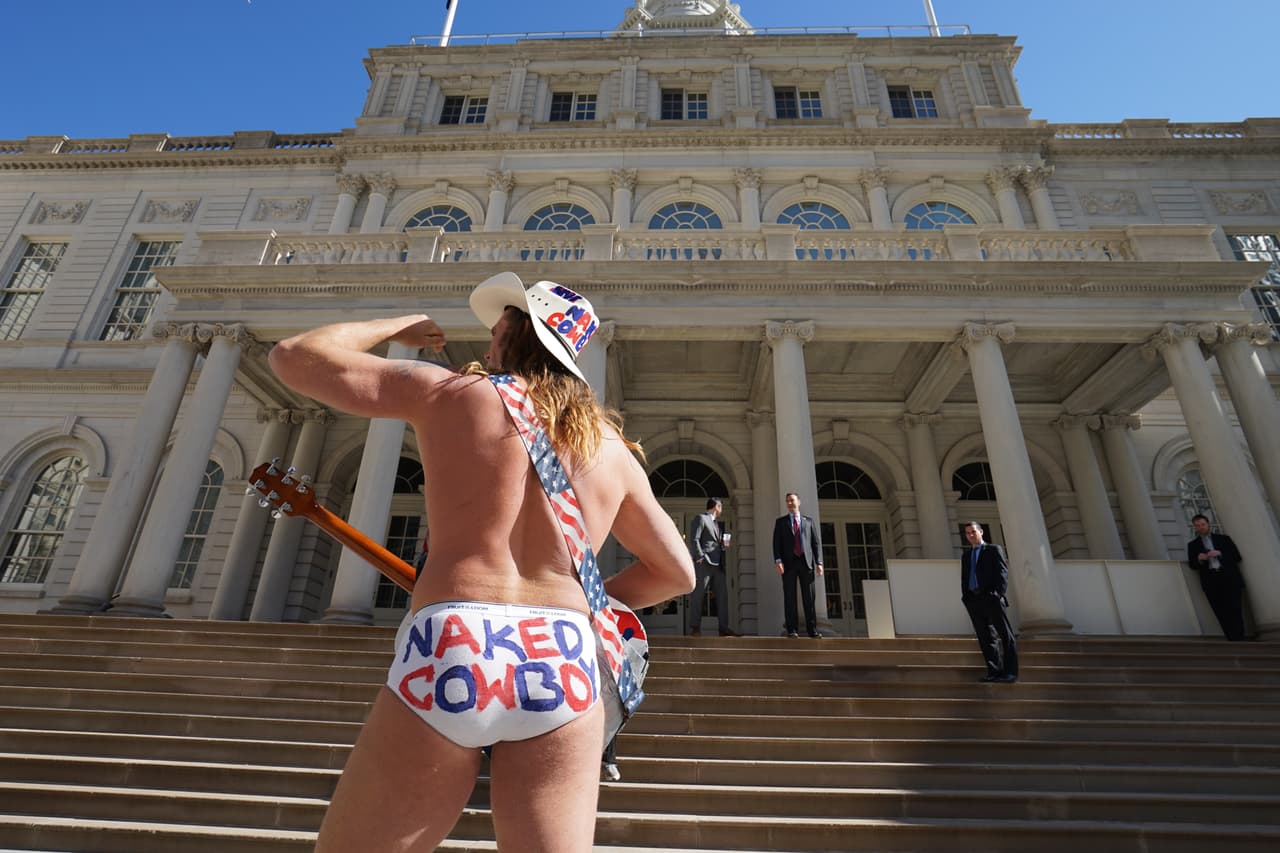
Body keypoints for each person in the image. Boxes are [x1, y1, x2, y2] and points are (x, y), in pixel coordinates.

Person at [269, 272, 695, 853]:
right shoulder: (610, 449)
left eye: (498, 327)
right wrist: (588, 602)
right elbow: (677, 573)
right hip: (563, 655)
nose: (489, 340)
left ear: (517, 332)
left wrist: (400, 325)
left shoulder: (450, 393)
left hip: (454, 642)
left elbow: (296, 356)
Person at [960, 522, 1018, 683]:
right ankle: (994, 672)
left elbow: (1002, 572)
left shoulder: (993, 550)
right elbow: (965, 578)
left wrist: (998, 594)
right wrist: (966, 598)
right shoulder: (966, 556)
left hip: (992, 597)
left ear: (981, 532)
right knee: (985, 638)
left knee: (1005, 635)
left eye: (973, 532)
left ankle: (1010, 673)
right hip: (974, 600)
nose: (970, 535)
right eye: (967, 533)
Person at [1186, 514, 1247, 641]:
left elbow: (1237, 557)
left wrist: (1220, 553)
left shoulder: (1224, 539)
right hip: (1211, 581)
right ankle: (1231, 638)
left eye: (1203, 524)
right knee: (1220, 611)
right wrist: (1199, 559)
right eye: (1197, 525)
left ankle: (1240, 638)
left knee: (1235, 608)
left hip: (1229, 578)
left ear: (1208, 524)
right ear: (1194, 527)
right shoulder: (1192, 545)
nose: (1201, 527)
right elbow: (1192, 565)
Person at [771, 492, 824, 639]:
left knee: (809, 598)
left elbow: (815, 543)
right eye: (787, 501)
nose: (790, 503)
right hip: (788, 564)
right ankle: (792, 630)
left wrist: (819, 562)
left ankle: (812, 630)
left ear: (798, 502)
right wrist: (778, 561)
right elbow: (776, 544)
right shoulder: (781, 522)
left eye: (792, 500)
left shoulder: (809, 521)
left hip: (806, 563)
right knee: (790, 597)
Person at [687, 497, 738, 637]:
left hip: (718, 564)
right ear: (717, 507)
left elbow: (716, 544)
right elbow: (695, 539)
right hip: (705, 562)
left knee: (722, 597)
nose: (722, 510)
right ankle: (695, 628)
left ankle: (723, 628)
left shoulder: (717, 524)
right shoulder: (701, 518)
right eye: (721, 507)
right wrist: (700, 557)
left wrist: (724, 544)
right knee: (698, 594)